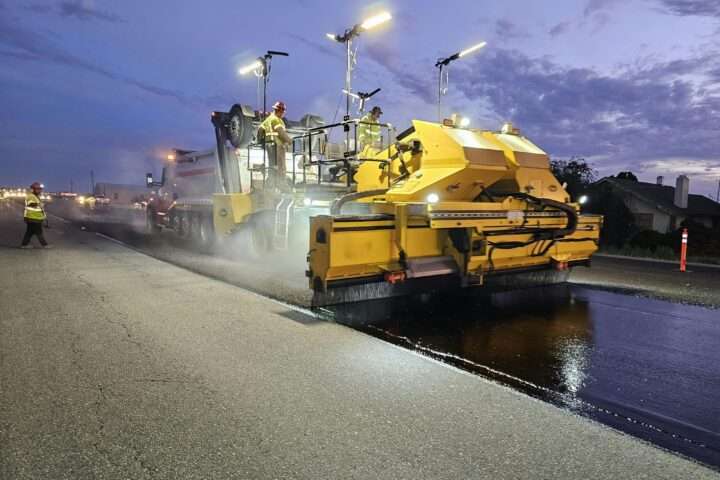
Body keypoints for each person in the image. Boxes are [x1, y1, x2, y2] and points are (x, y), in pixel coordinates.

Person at [259, 101, 292, 188]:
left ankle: (271, 184)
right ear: (279, 111)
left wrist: (260, 142)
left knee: (272, 165)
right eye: (282, 111)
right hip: (278, 146)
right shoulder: (276, 120)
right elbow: (281, 133)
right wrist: (289, 141)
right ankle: (281, 184)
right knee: (281, 166)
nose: (283, 113)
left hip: (270, 146)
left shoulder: (268, 119)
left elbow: (260, 130)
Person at [20, 182, 50, 249]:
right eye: (38, 189)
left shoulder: (35, 196)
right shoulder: (31, 196)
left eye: (40, 189)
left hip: (33, 217)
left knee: (29, 232)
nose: (39, 191)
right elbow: (31, 204)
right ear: (33, 189)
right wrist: (39, 204)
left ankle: (24, 245)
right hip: (33, 217)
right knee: (39, 232)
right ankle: (45, 245)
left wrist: (41, 205)